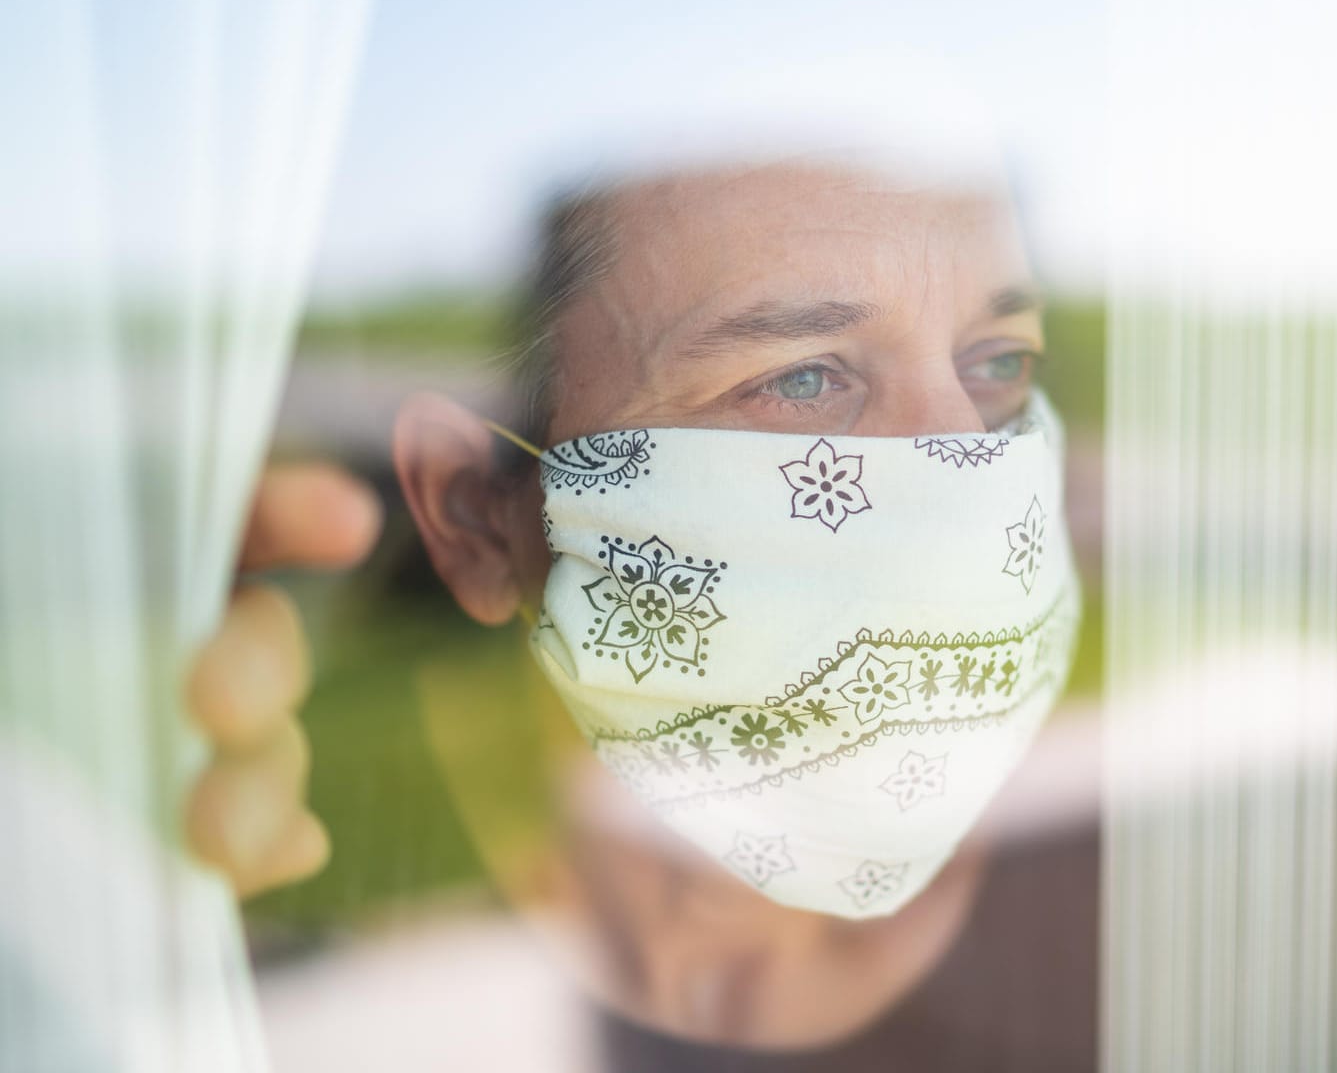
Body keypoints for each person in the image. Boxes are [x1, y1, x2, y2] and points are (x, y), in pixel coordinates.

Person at [185, 157, 1097, 1069]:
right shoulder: (333, 996)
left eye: (997, 362)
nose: (967, 469)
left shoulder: (1102, 916)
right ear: (475, 516)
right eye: (806, 381)